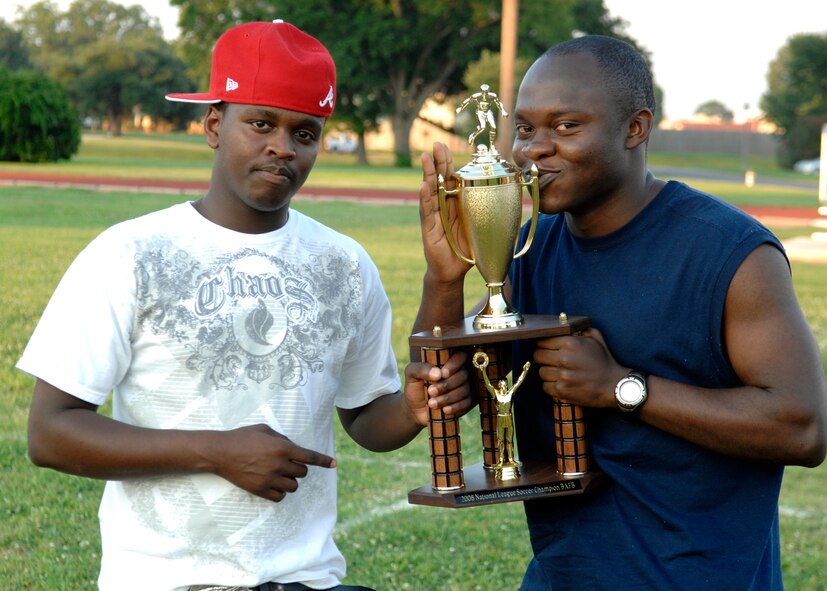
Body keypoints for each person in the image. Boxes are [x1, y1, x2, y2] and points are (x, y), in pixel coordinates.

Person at [18, 20, 471, 591]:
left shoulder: (344, 263)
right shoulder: (130, 253)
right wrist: (216, 453)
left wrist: (410, 406)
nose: (282, 146)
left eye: (305, 133)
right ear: (214, 123)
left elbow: (366, 420)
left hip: (307, 579)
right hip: (161, 581)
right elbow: (50, 434)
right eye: (261, 123)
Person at [413, 34, 827, 590]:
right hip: (564, 576)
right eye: (526, 128)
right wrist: (445, 276)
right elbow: (447, 385)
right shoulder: (528, 249)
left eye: (565, 127)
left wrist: (622, 387)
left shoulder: (729, 253)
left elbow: (803, 429)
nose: (534, 149)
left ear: (635, 129)